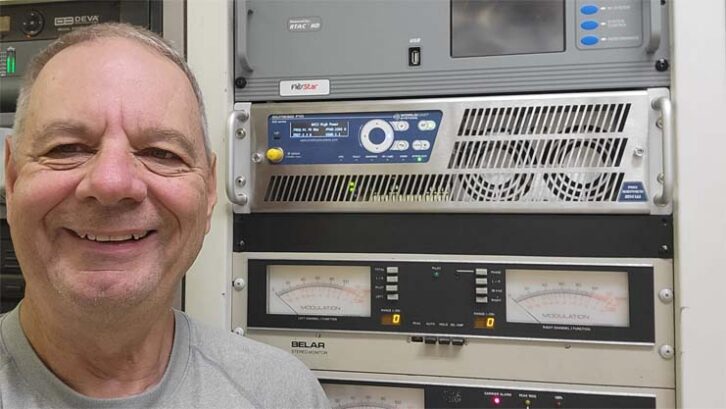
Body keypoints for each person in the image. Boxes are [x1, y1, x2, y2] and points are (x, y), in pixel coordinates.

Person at [0, 23, 330, 408]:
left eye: (161, 153)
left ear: (209, 192)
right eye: (67, 148)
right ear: (12, 178)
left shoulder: (282, 395)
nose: (111, 183)